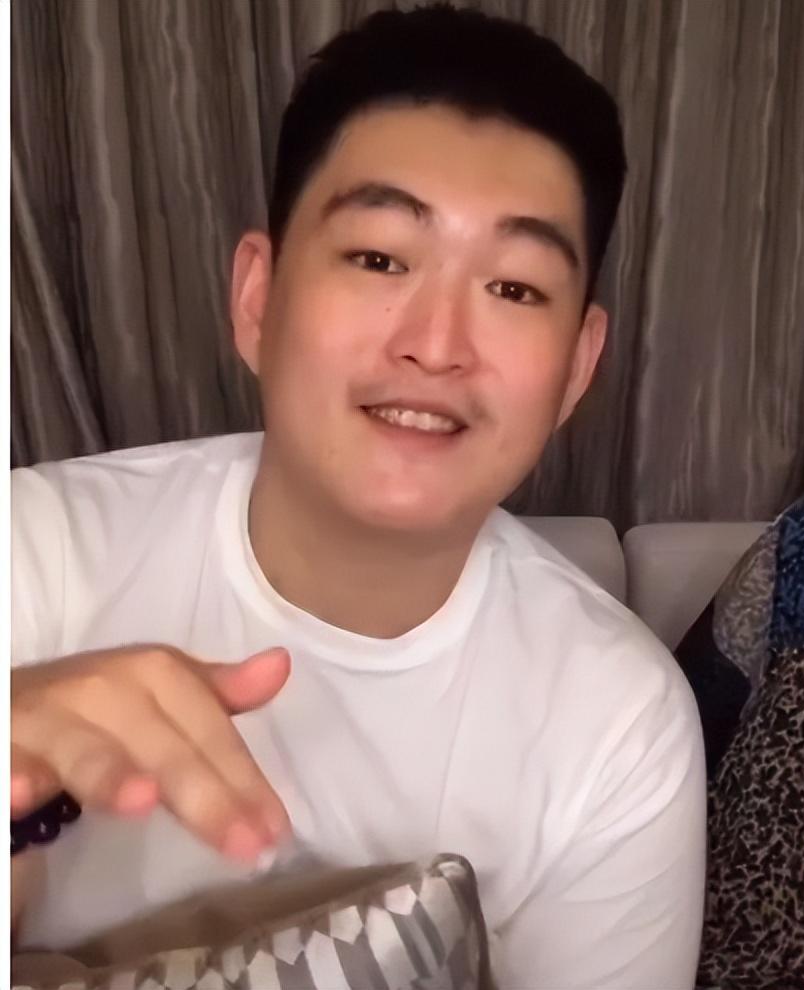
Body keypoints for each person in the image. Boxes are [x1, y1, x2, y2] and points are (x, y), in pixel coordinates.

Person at [10, 4, 706, 987]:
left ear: (578, 367)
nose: (436, 344)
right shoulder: (34, 554)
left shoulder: (618, 729)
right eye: (378, 258)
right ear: (258, 299)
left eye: (514, 288)